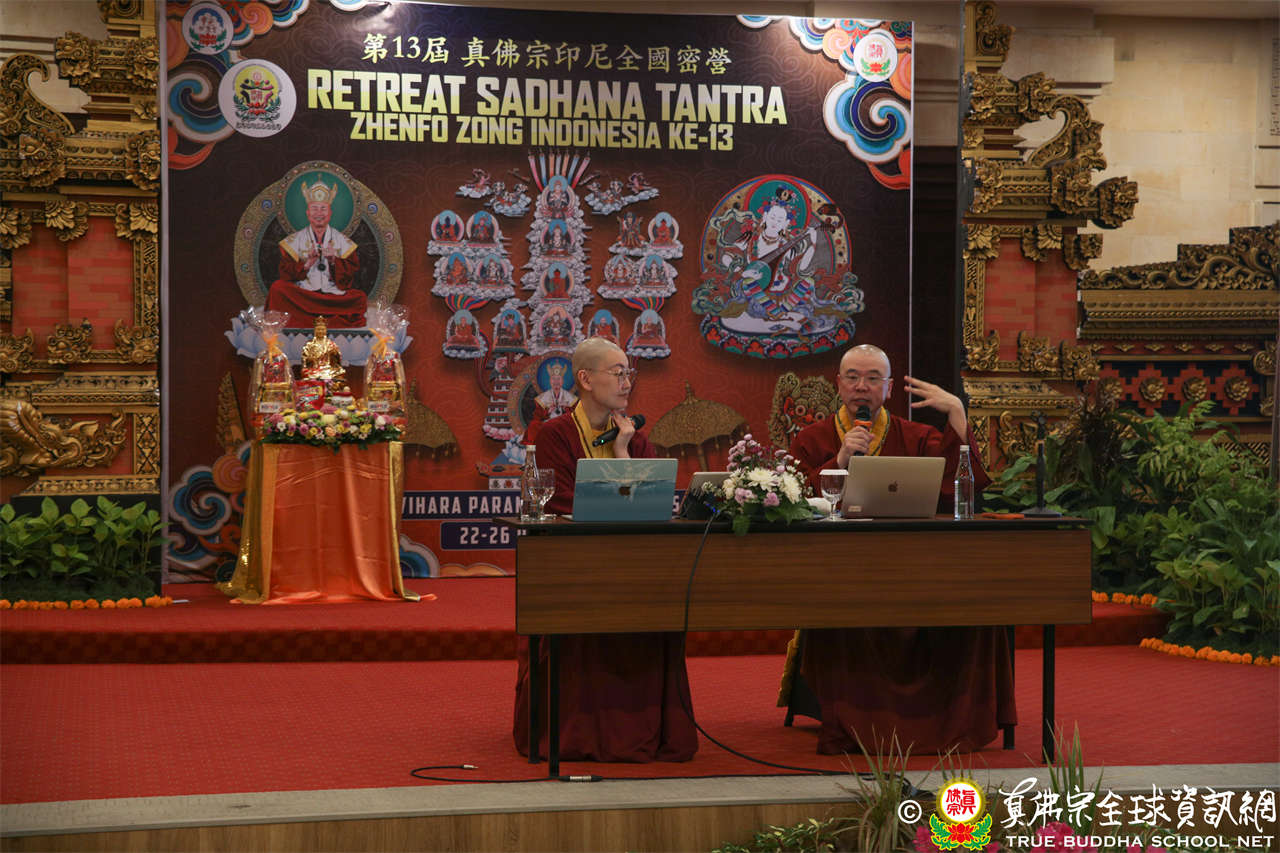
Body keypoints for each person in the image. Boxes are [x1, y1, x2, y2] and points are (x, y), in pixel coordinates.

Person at [783, 343, 1014, 755]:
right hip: (842, 570)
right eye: (853, 377)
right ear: (839, 384)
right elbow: (795, 501)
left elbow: (958, 487)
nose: (862, 387)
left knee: (975, 604)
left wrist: (957, 414)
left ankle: (949, 714)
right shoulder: (811, 438)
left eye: (873, 379)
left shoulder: (917, 436)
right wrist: (841, 457)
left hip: (914, 567)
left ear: (888, 389)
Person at [513, 337, 698, 763]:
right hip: (576, 564)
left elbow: (649, 503)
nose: (626, 382)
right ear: (585, 378)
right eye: (617, 373)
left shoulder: (635, 437)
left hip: (632, 563)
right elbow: (565, 502)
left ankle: (645, 728)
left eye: (628, 373)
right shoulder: (554, 434)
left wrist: (621, 451)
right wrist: (621, 483)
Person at [266, 180, 366, 328]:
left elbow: (349, 278)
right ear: (307, 213)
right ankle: (324, 320)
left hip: (332, 297)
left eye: (323, 209)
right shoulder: (294, 241)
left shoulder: (343, 242)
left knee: (359, 298)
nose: (319, 213)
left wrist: (333, 261)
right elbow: (285, 275)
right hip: (303, 296)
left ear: (330, 213)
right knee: (277, 288)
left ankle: (306, 319)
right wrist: (306, 264)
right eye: (314, 209)